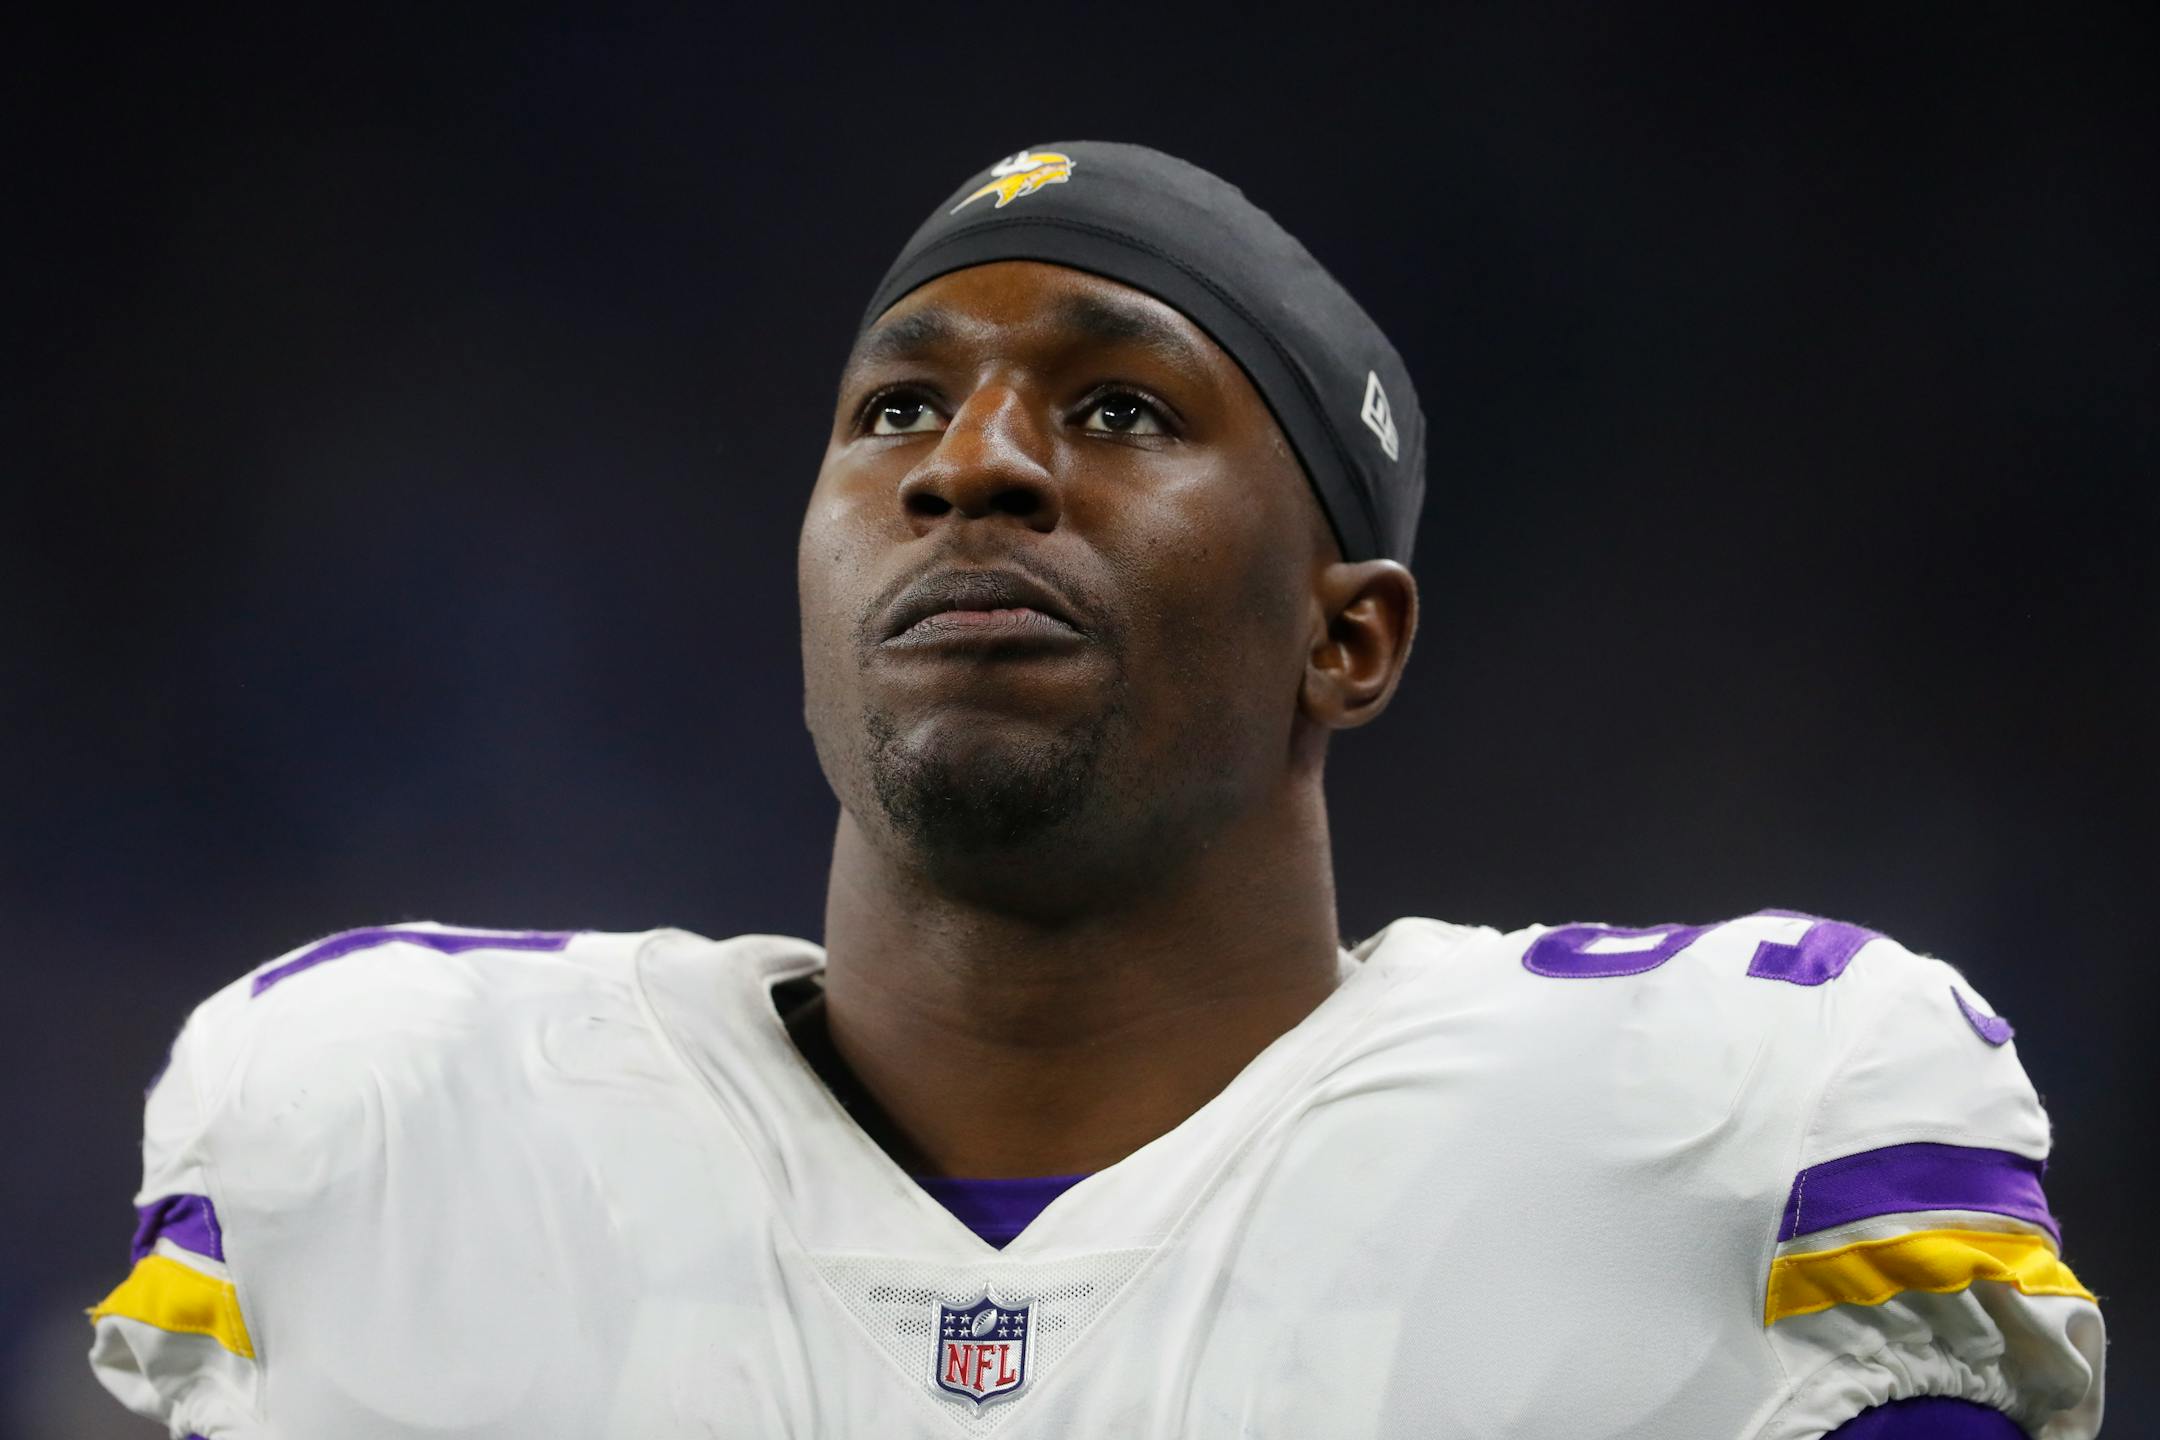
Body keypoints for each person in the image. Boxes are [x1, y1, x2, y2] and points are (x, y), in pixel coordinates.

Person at [88, 142, 2103, 1438]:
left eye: (1118, 407)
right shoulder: (378, 1124)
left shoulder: (1727, 1145)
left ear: (1352, 638)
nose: (969, 463)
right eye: (895, 409)